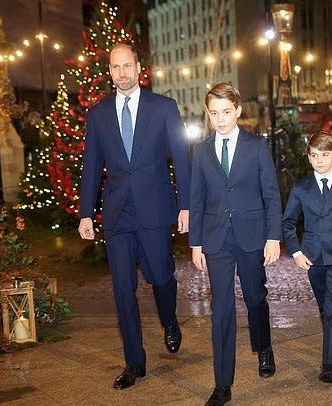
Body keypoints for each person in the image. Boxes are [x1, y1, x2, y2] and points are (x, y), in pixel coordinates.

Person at [78, 43, 191, 390]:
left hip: (154, 208)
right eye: (116, 67)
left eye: (127, 66)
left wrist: (186, 205)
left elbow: (182, 159)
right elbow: (91, 165)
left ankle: (169, 320)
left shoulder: (164, 107)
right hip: (117, 214)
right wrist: (85, 213)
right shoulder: (98, 115)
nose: (122, 73)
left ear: (139, 68)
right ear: (109, 71)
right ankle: (134, 363)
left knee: (161, 276)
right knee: (122, 290)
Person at [189, 83, 282, 406]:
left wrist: (273, 237)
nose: (220, 119)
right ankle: (222, 384)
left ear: (238, 111)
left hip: (252, 235)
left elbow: (271, 195)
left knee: (255, 298)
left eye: (226, 112)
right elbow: (196, 199)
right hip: (216, 239)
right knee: (221, 309)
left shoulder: (257, 146)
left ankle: (264, 347)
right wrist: (196, 243)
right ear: (208, 114)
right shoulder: (201, 151)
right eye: (214, 113)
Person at [282, 131, 332, 384]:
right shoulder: (301, 188)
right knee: (324, 308)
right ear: (309, 158)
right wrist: (296, 252)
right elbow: (288, 223)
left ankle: (328, 365)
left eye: (324, 155)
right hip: (313, 258)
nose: (319, 160)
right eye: (314, 156)